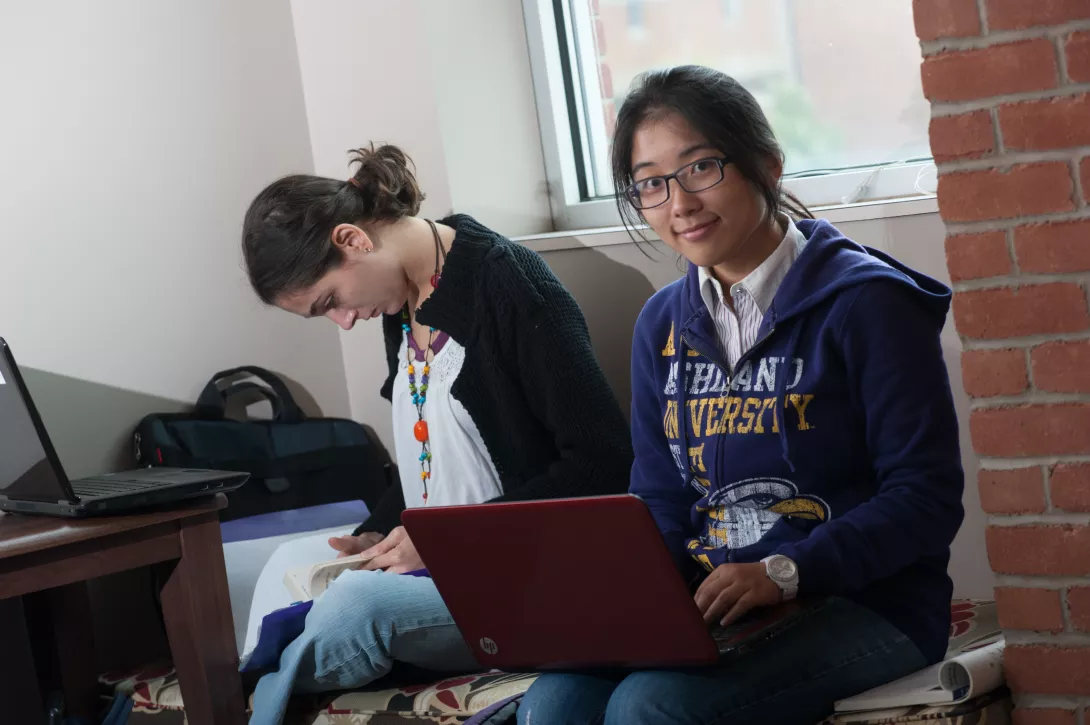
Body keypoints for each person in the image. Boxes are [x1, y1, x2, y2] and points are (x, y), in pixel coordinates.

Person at [518, 65, 964, 725]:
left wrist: (786, 570)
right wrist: (635, 598)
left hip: (869, 602)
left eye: (700, 167)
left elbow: (925, 499)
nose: (680, 203)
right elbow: (662, 496)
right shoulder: (663, 324)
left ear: (767, 164)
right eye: (651, 183)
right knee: (554, 702)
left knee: (651, 706)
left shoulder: (867, 304)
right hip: (719, 608)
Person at [239, 144, 633, 725]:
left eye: (331, 302)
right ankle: (257, 679)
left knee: (357, 605)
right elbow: (428, 453)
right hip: (438, 559)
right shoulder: (401, 301)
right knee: (282, 565)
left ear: (353, 240)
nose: (344, 321)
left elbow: (605, 462)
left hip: (518, 570)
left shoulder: (515, 291)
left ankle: (239, 695)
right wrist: (376, 534)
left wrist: (453, 541)